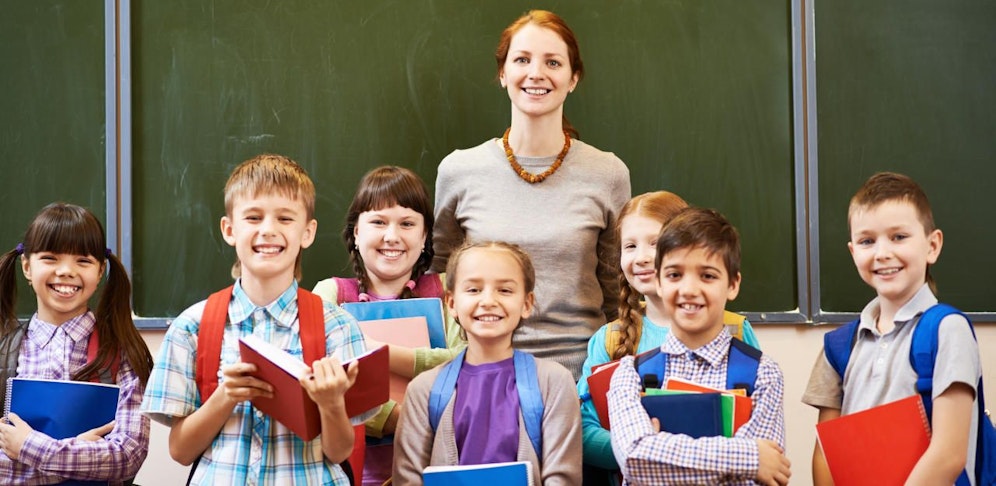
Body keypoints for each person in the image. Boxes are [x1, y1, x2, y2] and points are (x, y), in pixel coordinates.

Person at [141, 154, 374, 485]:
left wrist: (331, 404)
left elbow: (339, 452)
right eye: (253, 217)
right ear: (229, 229)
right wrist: (226, 395)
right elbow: (180, 451)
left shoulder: (336, 326)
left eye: (285, 218)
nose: (268, 230)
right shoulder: (191, 327)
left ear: (307, 232)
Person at [432, 9, 631, 379]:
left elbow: (616, 289)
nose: (536, 73)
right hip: (484, 376)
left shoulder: (607, 173)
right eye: (522, 60)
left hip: (580, 377)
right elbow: (440, 279)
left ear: (573, 78)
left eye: (552, 62)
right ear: (503, 74)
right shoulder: (459, 170)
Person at [803, 172, 980, 485]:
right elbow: (827, 456)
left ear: (932, 245)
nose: (882, 253)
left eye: (898, 237)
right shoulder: (839, 346)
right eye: (867, 241)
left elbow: (949, 455)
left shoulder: (947, 330)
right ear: (853, 252)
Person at [577, 192, 762, 485]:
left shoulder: (735, 331)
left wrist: (657, 447)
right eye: (630, 246)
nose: (642, 257)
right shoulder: (610, 340)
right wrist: (641, 449)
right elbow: (583, 432)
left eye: (655, 243)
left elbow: (759, 434)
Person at [608, 207, 791, 485]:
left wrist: (659, 450)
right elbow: (634, 458)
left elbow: (762, 477)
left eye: (707, 276)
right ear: (658, 282)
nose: (690, 290)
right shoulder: (629, 374)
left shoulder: (763, 374)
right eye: (674, 275)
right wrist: (749, 457)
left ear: (733, 284)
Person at [312, 165, 463, 485]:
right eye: (378, 222)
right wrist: (396, 417)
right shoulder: (330, 295)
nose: (392, 236)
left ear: (425, 235)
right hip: (350, 473)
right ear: (356, 232)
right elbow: (324, 381)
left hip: (441, 468)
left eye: (407, 224)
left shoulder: (448, 289)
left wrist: (372, 350)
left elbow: (466, 364)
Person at [393, 241, 582, 485]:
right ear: (451, 303)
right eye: (473, 290)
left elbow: (562, 477)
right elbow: (408, 479)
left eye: (505, 290)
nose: (488, 301)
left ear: (526, 304)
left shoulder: (553, 382)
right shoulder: (423, 390)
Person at [0, 202, 153, 484]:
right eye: (50, 258)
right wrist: (79, 454)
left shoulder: (123, 352)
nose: (66, 271)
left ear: (100, 270)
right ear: (27, 267)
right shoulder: (4, 352)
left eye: (83, 261)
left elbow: (128, 455)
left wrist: (28, 447)